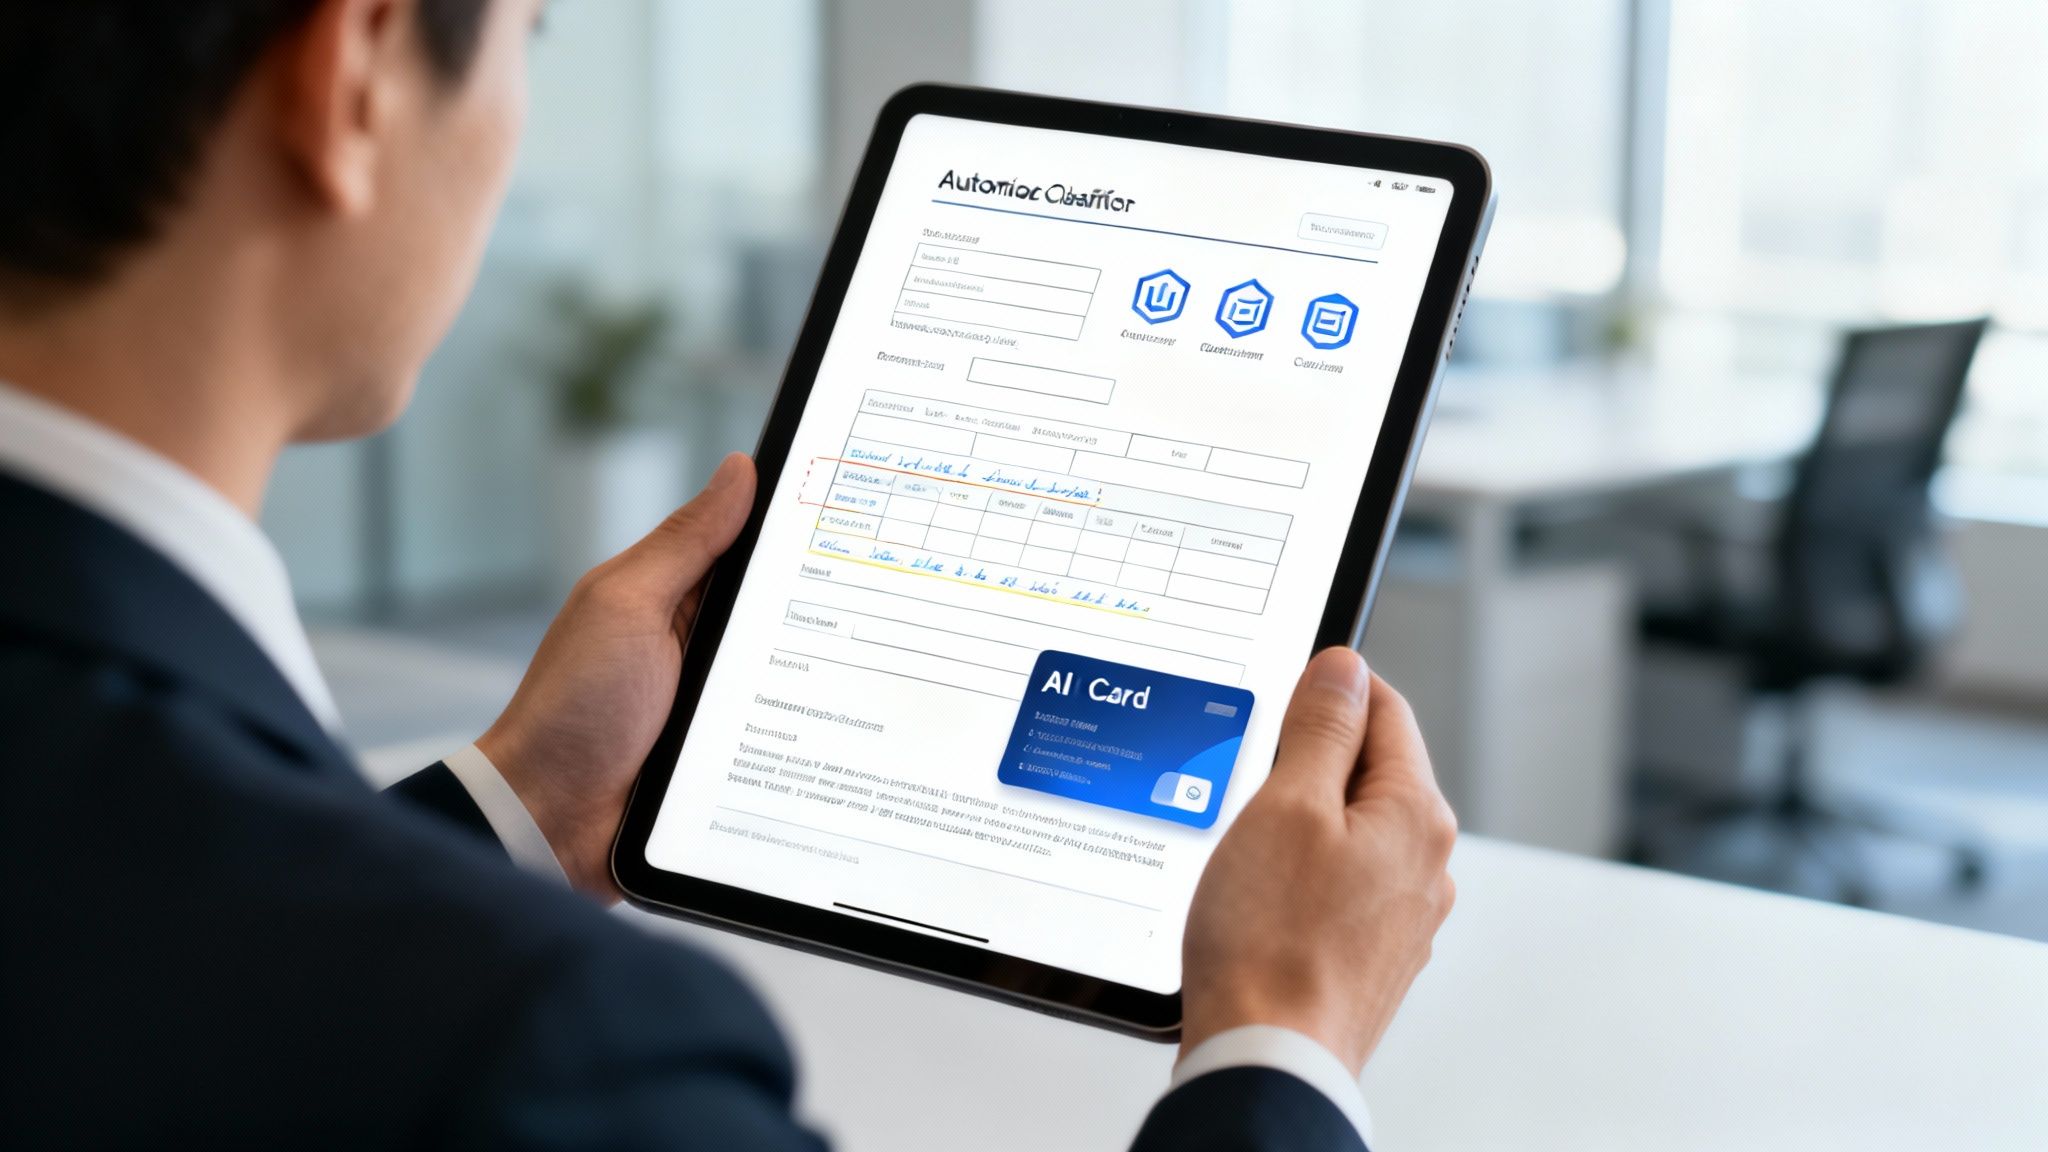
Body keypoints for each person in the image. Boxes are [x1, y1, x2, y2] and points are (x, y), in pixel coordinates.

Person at [0, 1, 1458, 1148]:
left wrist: (529, 802)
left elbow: (185, 956)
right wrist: (1283, 1033)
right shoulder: (550, 1053)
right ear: (361, 68)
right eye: (533, 32)